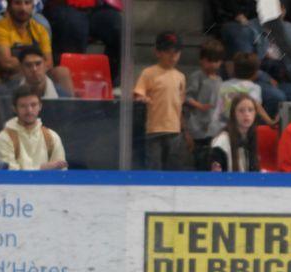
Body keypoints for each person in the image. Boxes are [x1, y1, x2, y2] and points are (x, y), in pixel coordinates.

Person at [133, 31, 186, 171]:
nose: (173, 56)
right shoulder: (149, 73)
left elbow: (179, 104)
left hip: (174, 129)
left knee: (173, 165)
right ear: (158, 52)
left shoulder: (180, 77)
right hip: (155, 128)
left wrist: (183, 129)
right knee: (154, 164)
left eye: (176, 52)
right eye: (168, 52)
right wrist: (141, 98)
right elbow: (138, 93)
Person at [43, 0, 121, 85]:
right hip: (64, 6)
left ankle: (110, 81)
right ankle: (68, 85)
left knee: (119, 27)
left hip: (98, 7)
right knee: (73, 25)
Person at [0, 83, 66, 168]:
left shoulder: (52, 137)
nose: (29, 110)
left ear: (40, 106)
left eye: (33, 105)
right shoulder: (3, 138)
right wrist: (41, 168)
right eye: (23, 106)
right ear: (14, 109)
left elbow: (62, 174)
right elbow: (9, 176)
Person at [0, 0, 52, 83]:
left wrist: (30, 67)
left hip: (38, 77)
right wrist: (36, 64)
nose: (23, 8)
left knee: (61, 72)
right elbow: (6, 63)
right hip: (8, 79)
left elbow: (49, 63)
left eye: (27, 3)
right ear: (9, 7)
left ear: (32, 6)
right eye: (17, 3)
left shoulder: (40, 29)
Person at [185, 39, 224, 171]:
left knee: (213, 158)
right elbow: (187, 97)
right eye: (210, 60)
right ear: (202, 60)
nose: (213, 64)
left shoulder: (219, 80)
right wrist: (200, 106)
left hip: (213, 128)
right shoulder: (197, 77)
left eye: (217, 61)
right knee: (199, 158)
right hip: (197, 127)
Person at [0, 43, 72, 97]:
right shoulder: (8, 94)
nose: (34, 69)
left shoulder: (62, 96)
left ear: (45, 66)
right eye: (28, 65)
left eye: (38, 64)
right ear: (21, 69)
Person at [210, 93, 260, 171]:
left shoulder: (250, 136)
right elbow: (216, 177)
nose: (247, 114)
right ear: (234, 114)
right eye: (241, 111)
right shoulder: (222, 141)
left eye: (250, 110)